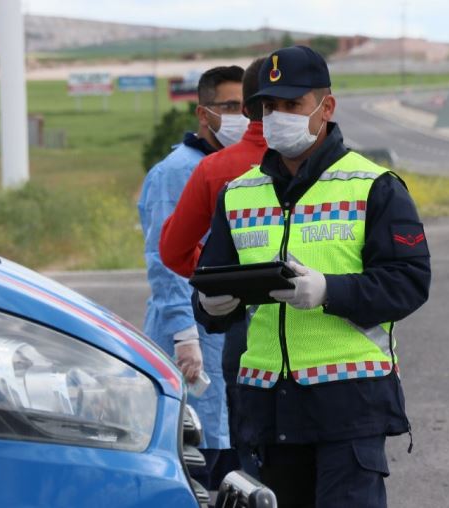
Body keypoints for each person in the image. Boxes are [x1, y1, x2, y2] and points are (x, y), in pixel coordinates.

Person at [192, 45, 431, 507]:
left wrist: (329, 290)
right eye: (270, 106)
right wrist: (210, 307)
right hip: (267, 408)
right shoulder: (238, 195)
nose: (278, 115)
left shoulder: (374, 186)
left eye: (292, 105)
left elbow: (409, 283)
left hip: (349, 406)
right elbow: (209, 282)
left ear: (326, 108)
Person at [159, 57, 269, 477]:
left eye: (236, 105)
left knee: (251, 462)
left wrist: (221, 280)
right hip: (324, 334)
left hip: (244, 328)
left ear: (249, 109)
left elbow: (173, 252)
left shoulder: (218, 169)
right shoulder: (342, 171)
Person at [138, 65, 246, 490]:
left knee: (230, 455)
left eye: (247, 106)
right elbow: (165, 260)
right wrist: (185, 334)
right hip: (194, 340)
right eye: (230, 106)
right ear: (204, 114)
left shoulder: (236, 167)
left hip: (230, 339)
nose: (241, 116)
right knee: (198, 457)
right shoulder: (177, 171)